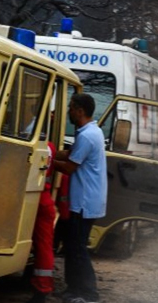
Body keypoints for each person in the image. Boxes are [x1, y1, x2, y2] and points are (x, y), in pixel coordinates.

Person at [53, 93, 107, 303]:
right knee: (72, 246)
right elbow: (70, 154)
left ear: (80, 110)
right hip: (87, 200)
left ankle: (89, 293)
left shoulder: (86, 136)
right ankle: (74, 289)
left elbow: (69, 167)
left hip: (84, 202)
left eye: (72, 107)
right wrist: (50, 151)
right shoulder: (92, 131)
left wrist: (46, 161)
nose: (69, 111)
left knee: (77, 249)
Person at [26, 139, 58, 303]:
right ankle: (41, 288)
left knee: (43, 247)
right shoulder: (50, 146)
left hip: (36, 197)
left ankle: (42, 289)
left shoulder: (33, 143)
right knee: (44, 246)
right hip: (43, 199)